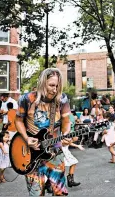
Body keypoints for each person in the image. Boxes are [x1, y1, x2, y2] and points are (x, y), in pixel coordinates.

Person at [16, 68, 71, 196]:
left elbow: (66, 122)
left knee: (60, 193)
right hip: (30, 155)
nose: (55, 89)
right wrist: (26, 138)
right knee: (36, 194)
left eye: (58, 86)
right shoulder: (26, 99)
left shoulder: (62, 99)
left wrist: (66, 134)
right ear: (42, 83)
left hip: (55, 153)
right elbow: (18, 121)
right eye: (51, 85)